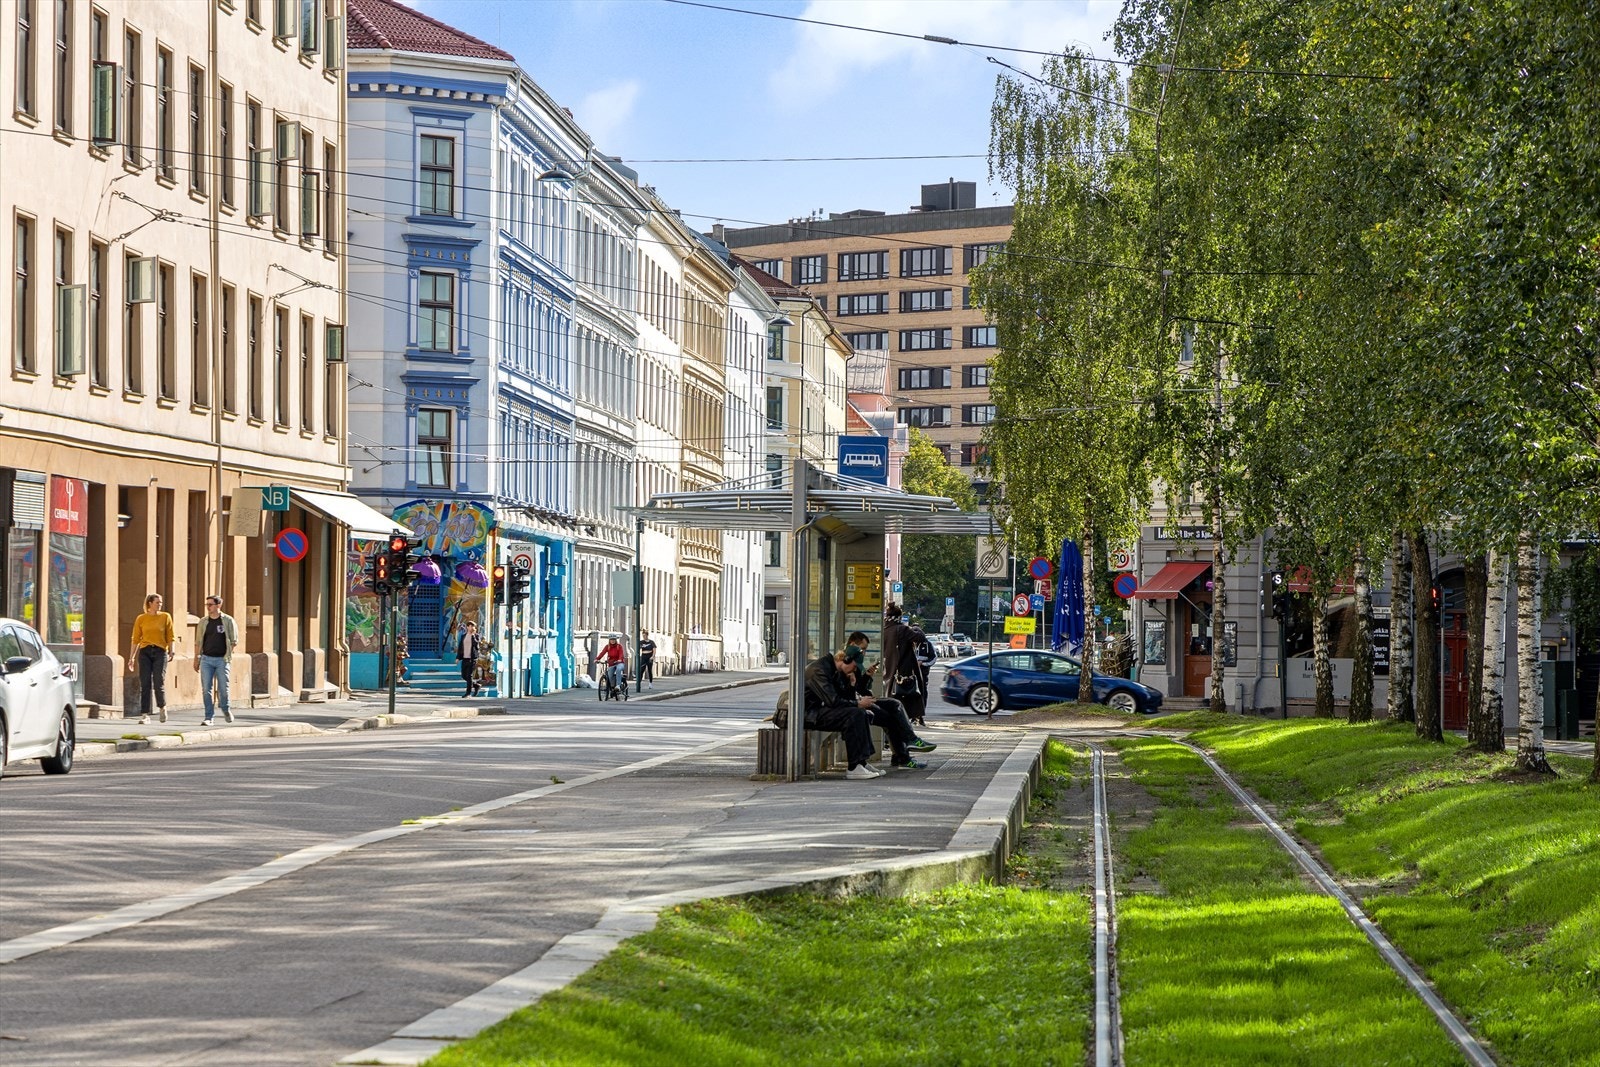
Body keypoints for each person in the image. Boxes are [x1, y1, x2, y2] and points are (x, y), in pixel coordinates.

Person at [844, 633, 936, 768]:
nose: (864, 652)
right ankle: (903, 755)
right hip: (855, 703)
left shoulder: (857, 662)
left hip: (861, 699)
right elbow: (849, 691)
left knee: (894, 704)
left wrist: (867, 676)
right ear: (852, 645)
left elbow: (861, 688)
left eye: (865, 649)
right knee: (892, 719)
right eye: (862, 648)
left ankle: (908, 744)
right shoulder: (848, 662)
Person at [803, 647, 882, 780]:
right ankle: (854, 766)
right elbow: (833, 700)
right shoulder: (820, 670)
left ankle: (861, 762)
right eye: (855, 666)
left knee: (861, 713)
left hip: (818, 710)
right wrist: (858, 704)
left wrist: (852, 685)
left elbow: (842, 697)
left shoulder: (833, 670)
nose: (855, 670)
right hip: (809, 713)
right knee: (855, 714)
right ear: (845, 660)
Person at [127, 593, 175, 726]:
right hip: (145, 652)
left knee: (159, 680)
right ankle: (144, 714)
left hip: (160, 651)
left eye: (160, 602)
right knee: (145, 683)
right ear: (150, 603)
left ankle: (162, 707)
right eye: (157, 602)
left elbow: (171, 635)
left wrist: (172, 650)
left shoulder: (165, 617)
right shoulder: (141, 618)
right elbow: (135, 639)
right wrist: (131, 657)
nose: (160, 604)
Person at [193, 594, 239, 725]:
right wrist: (196, 659)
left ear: (218, 605)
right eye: (206, 605)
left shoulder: (228, 621)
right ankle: (209, 717)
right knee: (206, 689)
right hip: (206, 659)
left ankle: (225, 708)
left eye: (210, 604)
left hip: (222, 660)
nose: (208, 607)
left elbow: (234, 640)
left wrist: (227, 654)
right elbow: (198, 642)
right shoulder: (203, 621)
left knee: (224, 687)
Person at [456, 620, 484, 697]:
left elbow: (477, 646)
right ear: (467, 627)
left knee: (469, 676)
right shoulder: (463, 636)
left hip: (472, 659)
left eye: (473, 626)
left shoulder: (476, 636)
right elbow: (460, 647)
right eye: (470, 626)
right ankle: (476, 685)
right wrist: (458, 657)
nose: (471, 627)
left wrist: (473, 636)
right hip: (464, 658)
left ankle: (468, 693)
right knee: (464, 676)